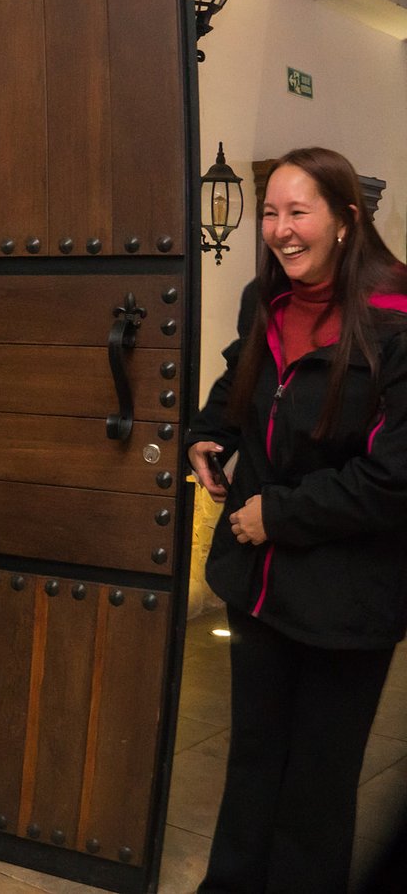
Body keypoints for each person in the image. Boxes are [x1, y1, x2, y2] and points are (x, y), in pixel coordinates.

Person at [187, 147, 407, 894]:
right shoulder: (266, 298)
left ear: (346, 220)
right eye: (271, 213)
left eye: (298, 212)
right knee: (252, 768)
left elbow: (394, 478)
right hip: (260, 590)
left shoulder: (398, 318)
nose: (280, 230)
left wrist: (274, 515)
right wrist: (207, 433)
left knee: (316, 788)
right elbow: (237, 384)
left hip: (349, 600)